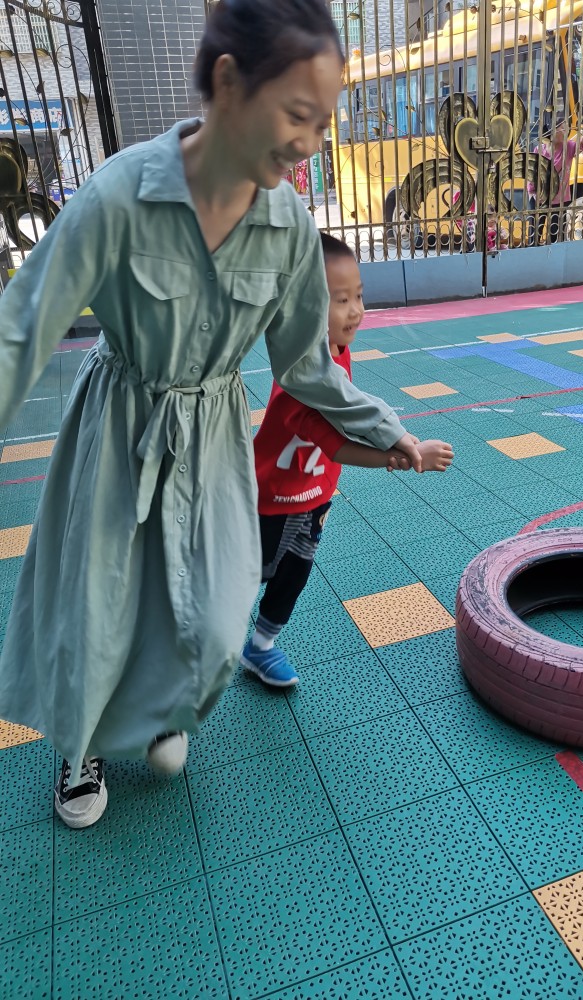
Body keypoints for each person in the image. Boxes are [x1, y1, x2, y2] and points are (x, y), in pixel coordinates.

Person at [0, 0, 434, 829]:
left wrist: (385, 429)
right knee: (101, 591)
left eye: (323, 123)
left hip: (211, 434)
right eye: (298, 114)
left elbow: (306, 367)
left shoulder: (287, 227)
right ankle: (82, 746)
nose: (311, 143)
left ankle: (162, 707)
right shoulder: (122, 193)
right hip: (122, 421)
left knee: (209, 595)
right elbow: (22, 326)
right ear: (229, 82)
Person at [243, 233, 455, 687]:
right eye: (340, 300)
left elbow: (349, 416)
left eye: (358, 295)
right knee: (242, 580)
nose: (356, 309)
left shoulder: (338, 353)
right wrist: (402, 456)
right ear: (303, 310)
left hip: (313, 497)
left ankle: (260, 645)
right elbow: (334, 443)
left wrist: (400, 447)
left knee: (293, 575)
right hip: (269, 501)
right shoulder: (300, 382)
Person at [528, 115, 583, 244]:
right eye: (562, 128)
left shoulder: (568, 147)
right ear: (553, 131)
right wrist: (532, 194)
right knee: (534, 234)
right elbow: (531, 173)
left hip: (559, 199)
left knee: (555, 235)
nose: (566, 131)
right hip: (539, 197)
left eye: (566, 128)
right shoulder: (539, 150)